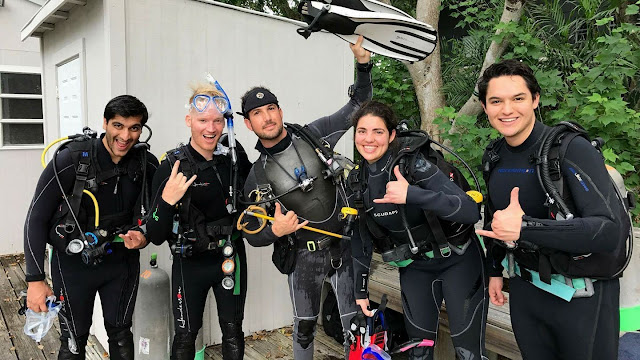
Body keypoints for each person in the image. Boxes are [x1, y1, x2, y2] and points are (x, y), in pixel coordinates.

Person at [475, 59, 623, 359]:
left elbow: (608, 231)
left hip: (581, 295)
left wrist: (527, 227)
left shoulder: (569, 149)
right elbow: (495, 217)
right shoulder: (495, 156)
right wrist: (494, 270)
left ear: (535, 99)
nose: (507, 110)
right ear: (484, 106)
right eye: (496, 101)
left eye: (518, 99)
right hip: (526, 291)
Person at [239, 37, 372, 359]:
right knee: (304, 329)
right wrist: (276, 231)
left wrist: (363, 65)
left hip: (344, 246)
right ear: (248, 123)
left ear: (280, 110)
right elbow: (250, 232)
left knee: (356, 327)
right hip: (303, 258)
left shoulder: (315, 135)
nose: (267, 117)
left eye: (271, 108)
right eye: (258, 113)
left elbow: (360, 105)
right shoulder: (258, 174)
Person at [348, 101, 488, 360]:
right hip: (414, 268)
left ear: (391, 136)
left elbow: (469, 211)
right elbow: (361, 238)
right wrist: (360, 290)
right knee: (418, 352)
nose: (369, 139)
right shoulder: (358, 181)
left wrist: (412, 194)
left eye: (378, 131)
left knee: (468, 353)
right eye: (362, 131)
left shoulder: (414, 165)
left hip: (458, 259)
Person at [24, 95, 158, 359]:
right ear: (105, 123)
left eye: (134, 128)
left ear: (141, 129)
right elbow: (36, 217)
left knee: (121, 335)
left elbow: (158, 214)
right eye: (118, 125)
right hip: (73, 264)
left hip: (122, 264)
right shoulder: (73, 159)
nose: (125, 136)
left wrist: (145, 236)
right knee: (73, 340)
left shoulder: (146, 163)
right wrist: (35, 279)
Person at [146, 83, 252, 360]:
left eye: (218, 121)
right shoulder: (172, 165)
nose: (211, 128)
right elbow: (156, 233)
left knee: (233, 330)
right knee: (185, 335)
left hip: (230, 259)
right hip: (189, 264)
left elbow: (256, 195)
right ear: (189, 121)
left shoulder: (233, 158)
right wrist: (166, 202)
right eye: (203, 120)